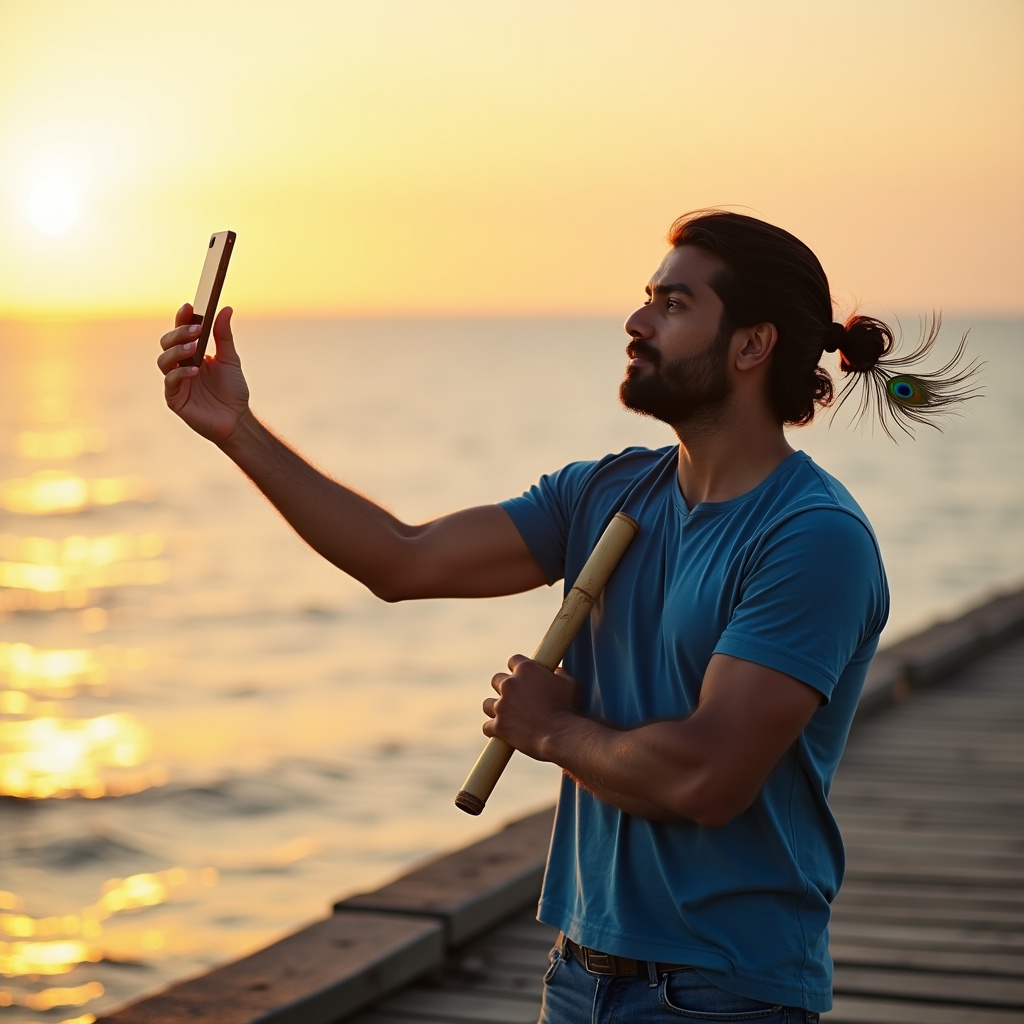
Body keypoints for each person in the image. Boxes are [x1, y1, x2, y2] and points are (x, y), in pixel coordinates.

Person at [157, 210, 978, 1023]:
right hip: (578, 973)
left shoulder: (812, 539)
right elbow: (402, 558)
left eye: (674, 304)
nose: (637, 319)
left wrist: (549, 732)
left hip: (724, 993)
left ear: (752, 345)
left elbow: (708, 778)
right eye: (647, 297)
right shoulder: (606, 492)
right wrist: (236, 429)